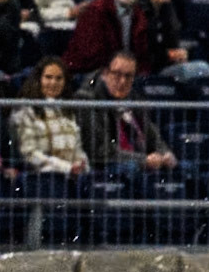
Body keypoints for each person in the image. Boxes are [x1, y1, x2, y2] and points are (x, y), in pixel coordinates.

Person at [75, 50, 177, 178]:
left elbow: (152, 134)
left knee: (182, 167)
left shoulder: (134, 98)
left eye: (128, 76)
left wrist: (165, 153)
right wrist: (143, 160)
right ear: (105, 73)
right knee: (132, 168)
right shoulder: (88, 100)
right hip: (106, 165)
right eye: (117, 74)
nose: (123, 81)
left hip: (137, 160)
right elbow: (101, 150)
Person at [65, 0, 152, 75]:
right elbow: (90, 56)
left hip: (125, 73)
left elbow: (143, 55)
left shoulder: (140, 15)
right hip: (89, 73)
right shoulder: (95, 11)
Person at [11, 56, 88, 176]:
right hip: (41, 178)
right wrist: (66, 168)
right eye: (48, 77)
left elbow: (78, 149)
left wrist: (82, 165)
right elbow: (29, 153)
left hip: (71, 177)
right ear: (38, 79)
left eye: (59, 78)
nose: (53, 83)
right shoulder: (25, 110)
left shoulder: (67, 110)